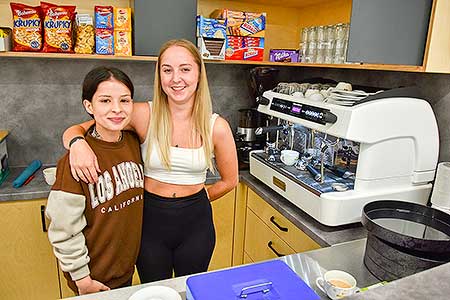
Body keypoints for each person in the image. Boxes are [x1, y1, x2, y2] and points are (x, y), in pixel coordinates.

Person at [61, 39, 239, 283]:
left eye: (185, 69)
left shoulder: (216, 126)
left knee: (191, 288)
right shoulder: (143, 114)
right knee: (153, 291)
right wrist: (77, 144)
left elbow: (230, 181)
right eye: (167, 70)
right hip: (149, 222)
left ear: (199, 73)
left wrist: (194, 200)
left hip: (196, 224)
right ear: (160, 76)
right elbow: (77, 128)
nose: (176, 78)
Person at [46, 66, 144, 295]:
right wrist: (82, 279)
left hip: (125, 270)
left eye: (125, 100)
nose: (117, 109)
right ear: (89, 106)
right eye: (105, 101)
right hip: (92, 279)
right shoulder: (75, 161)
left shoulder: (133, 142)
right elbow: (63, 230)